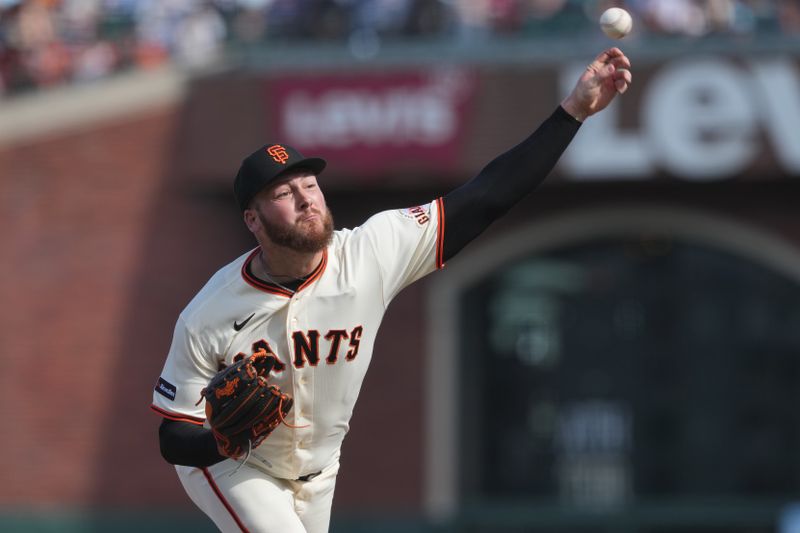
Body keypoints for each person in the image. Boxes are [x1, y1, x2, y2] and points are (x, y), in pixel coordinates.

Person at [151, 47, 632, 533]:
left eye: (310, 185)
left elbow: (488, 196)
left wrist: (572, 113)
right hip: (237, 467)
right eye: (282, 194)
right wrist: (222, 444)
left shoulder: (371, 251)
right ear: (252, 220)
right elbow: (173, 435)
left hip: (319, 472)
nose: (304, 200)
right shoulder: (210, 311)